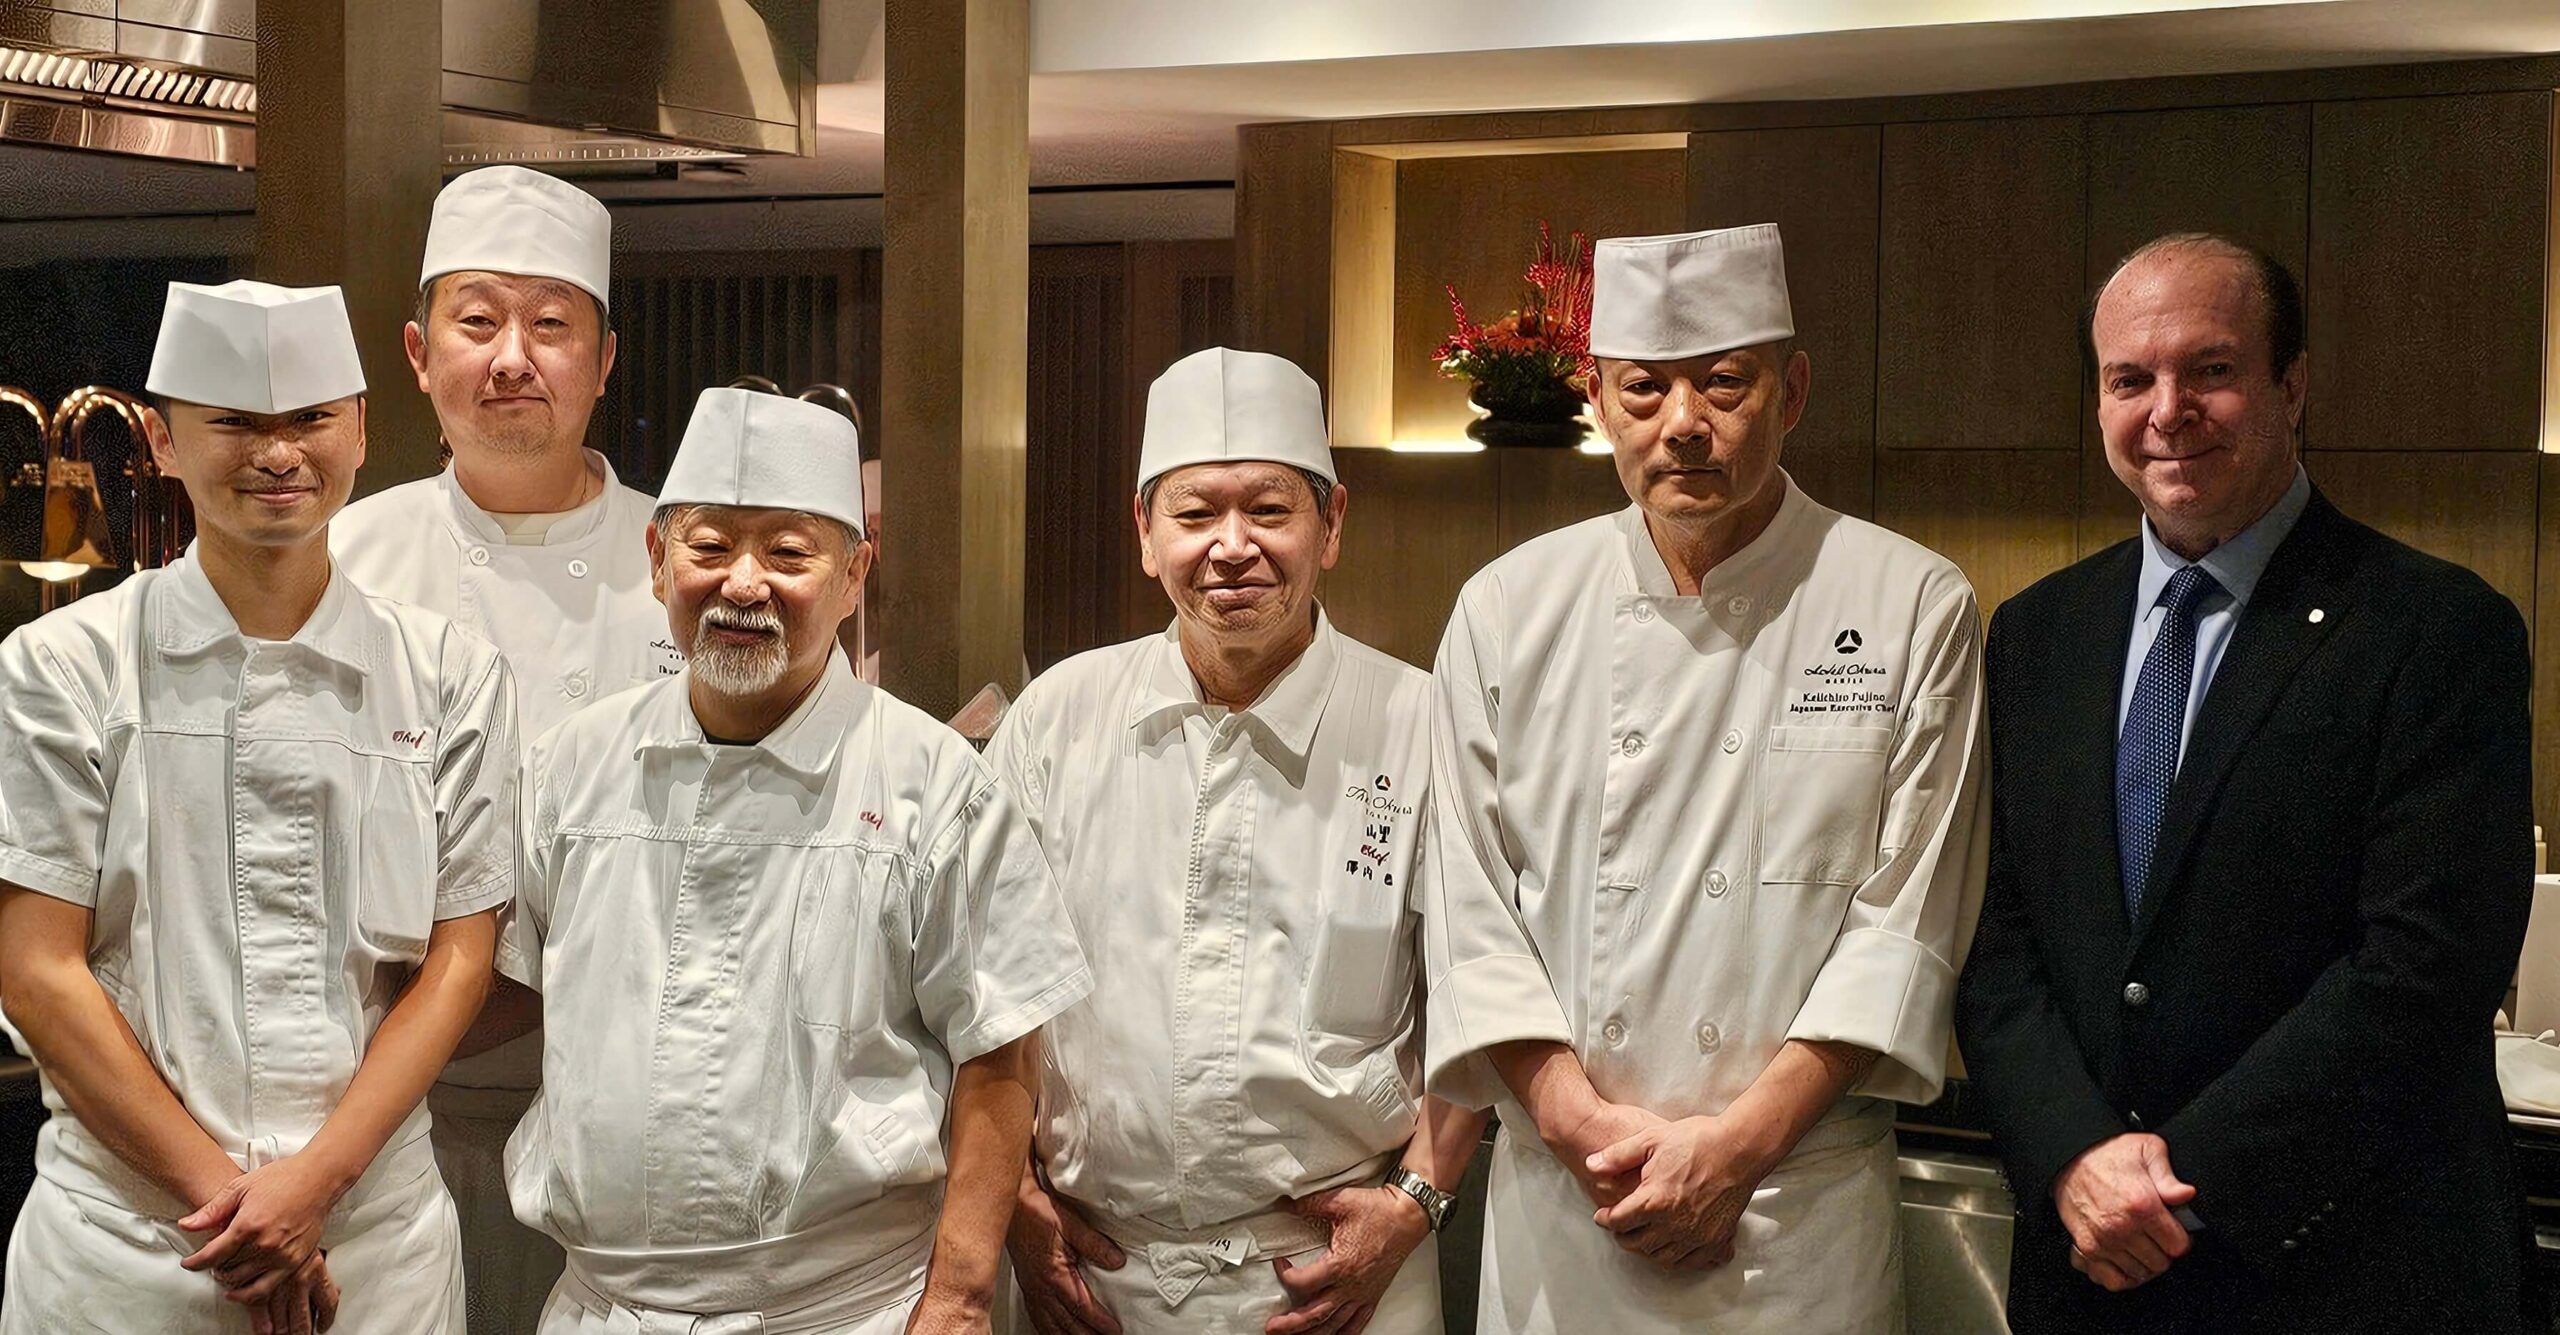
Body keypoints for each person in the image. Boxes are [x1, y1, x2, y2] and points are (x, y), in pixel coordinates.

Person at [1954, 232, 2537, 1333]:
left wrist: (2175, 1183)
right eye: (2130, 378)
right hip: (2089, 1272)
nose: (2166, 409)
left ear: (2292, 383)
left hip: (2340, 1265)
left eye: (2210, 370)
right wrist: (2072, 1155)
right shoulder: (2036, 634)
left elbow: (2426, 965)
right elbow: (1994, 931)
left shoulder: (2433, 630)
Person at [1421, 224, 1985, 1333]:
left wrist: (1735, 1150)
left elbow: (1904, 925)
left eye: (1724, 383)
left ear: (1793, 389)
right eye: (1643, 390)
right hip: (1568, 1217)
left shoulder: (1912, 603)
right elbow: (1470, 914)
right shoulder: (1505, 610)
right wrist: (1583, 1130)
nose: (1683, 425)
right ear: (1596, 397)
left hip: (1792, 1221)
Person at [487, 387, 1092, 1332]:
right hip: (604, 1306)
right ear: (656, 561)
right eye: (710, 545)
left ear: (855, 574)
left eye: (788, 552)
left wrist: (964, 1296)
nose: (742, 582)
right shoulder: (572, 763)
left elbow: (1002, 1048)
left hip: (844, 1309)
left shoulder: (932, 783)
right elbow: (512, 980)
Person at [0, 280, 516, 1334]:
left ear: (362, 429)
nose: (279, 456)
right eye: (235, 423)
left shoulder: (450, 672)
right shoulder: (64, 667)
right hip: (130, 1252)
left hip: (373, 1244)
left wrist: (313, 1188)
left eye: (311, 420)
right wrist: (244, 1214)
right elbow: (37, 970)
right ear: (162, 439)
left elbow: (458, 959)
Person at [989, 347, 1479, 1335]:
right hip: (1087, 1280)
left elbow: (1482, 990)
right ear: (1144, 531)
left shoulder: (1424, 723)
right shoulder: (1059, 716)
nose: (1231, 546)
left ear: (1331, 524)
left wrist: (1416, 1202)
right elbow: (976, 979)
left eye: (1268, 509)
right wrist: (1012, 1201)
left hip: (1333, 1283)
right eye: (1194, 513)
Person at [330, 163, 679, 1332]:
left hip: (638, 1110)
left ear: (605, 359)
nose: (512, 357)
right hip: (384, 1114)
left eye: (550, 324)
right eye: (478, 322)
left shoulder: (689, 566)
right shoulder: (340, 565)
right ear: (420, 353)